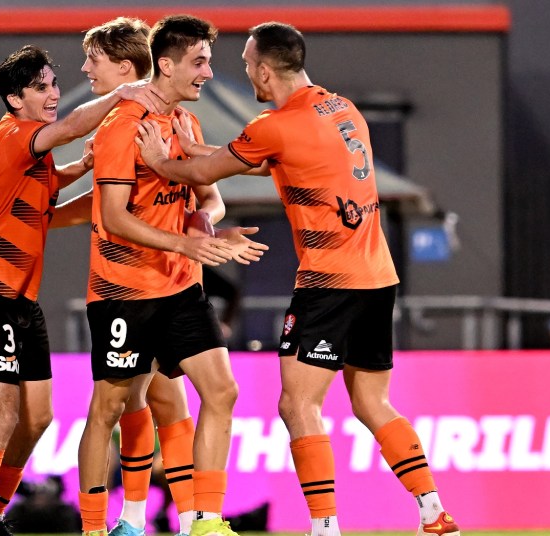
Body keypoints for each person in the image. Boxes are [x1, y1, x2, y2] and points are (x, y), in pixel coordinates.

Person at [135, 21, 460, 536]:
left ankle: (325, 527)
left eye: (247, 64)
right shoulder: (342, 109)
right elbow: (270, 163)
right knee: (372, 402)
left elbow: (204, 176)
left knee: (297, 404)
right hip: (378, 277)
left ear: (265, 71)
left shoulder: (275, 125)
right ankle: (433, 511)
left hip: (328, 283)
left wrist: (158, 159)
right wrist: (195, 149)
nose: (245, 73)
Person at [0, 44, 167, 536]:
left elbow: (49, 191)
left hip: (21, 301)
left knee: (37, 418)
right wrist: (125, 93)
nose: (53, 94)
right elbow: (69, 127)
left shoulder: (34, 157)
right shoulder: (13, 135)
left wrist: (88, 169)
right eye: (41, 88)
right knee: (2, 416)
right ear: (14, 99)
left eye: (53, 84)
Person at [77, 15, 267, 536]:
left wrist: (205, 226)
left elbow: (211, 197)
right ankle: (95, 527)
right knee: (110, 407)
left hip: (181, 286)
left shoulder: (186, 124)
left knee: (221, 392)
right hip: (124, 292)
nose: (209, 72)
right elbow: (113, 217)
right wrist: (187, 242)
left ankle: (204, 521)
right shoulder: (122, 126)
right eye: (199, 62)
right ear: (166, 64)